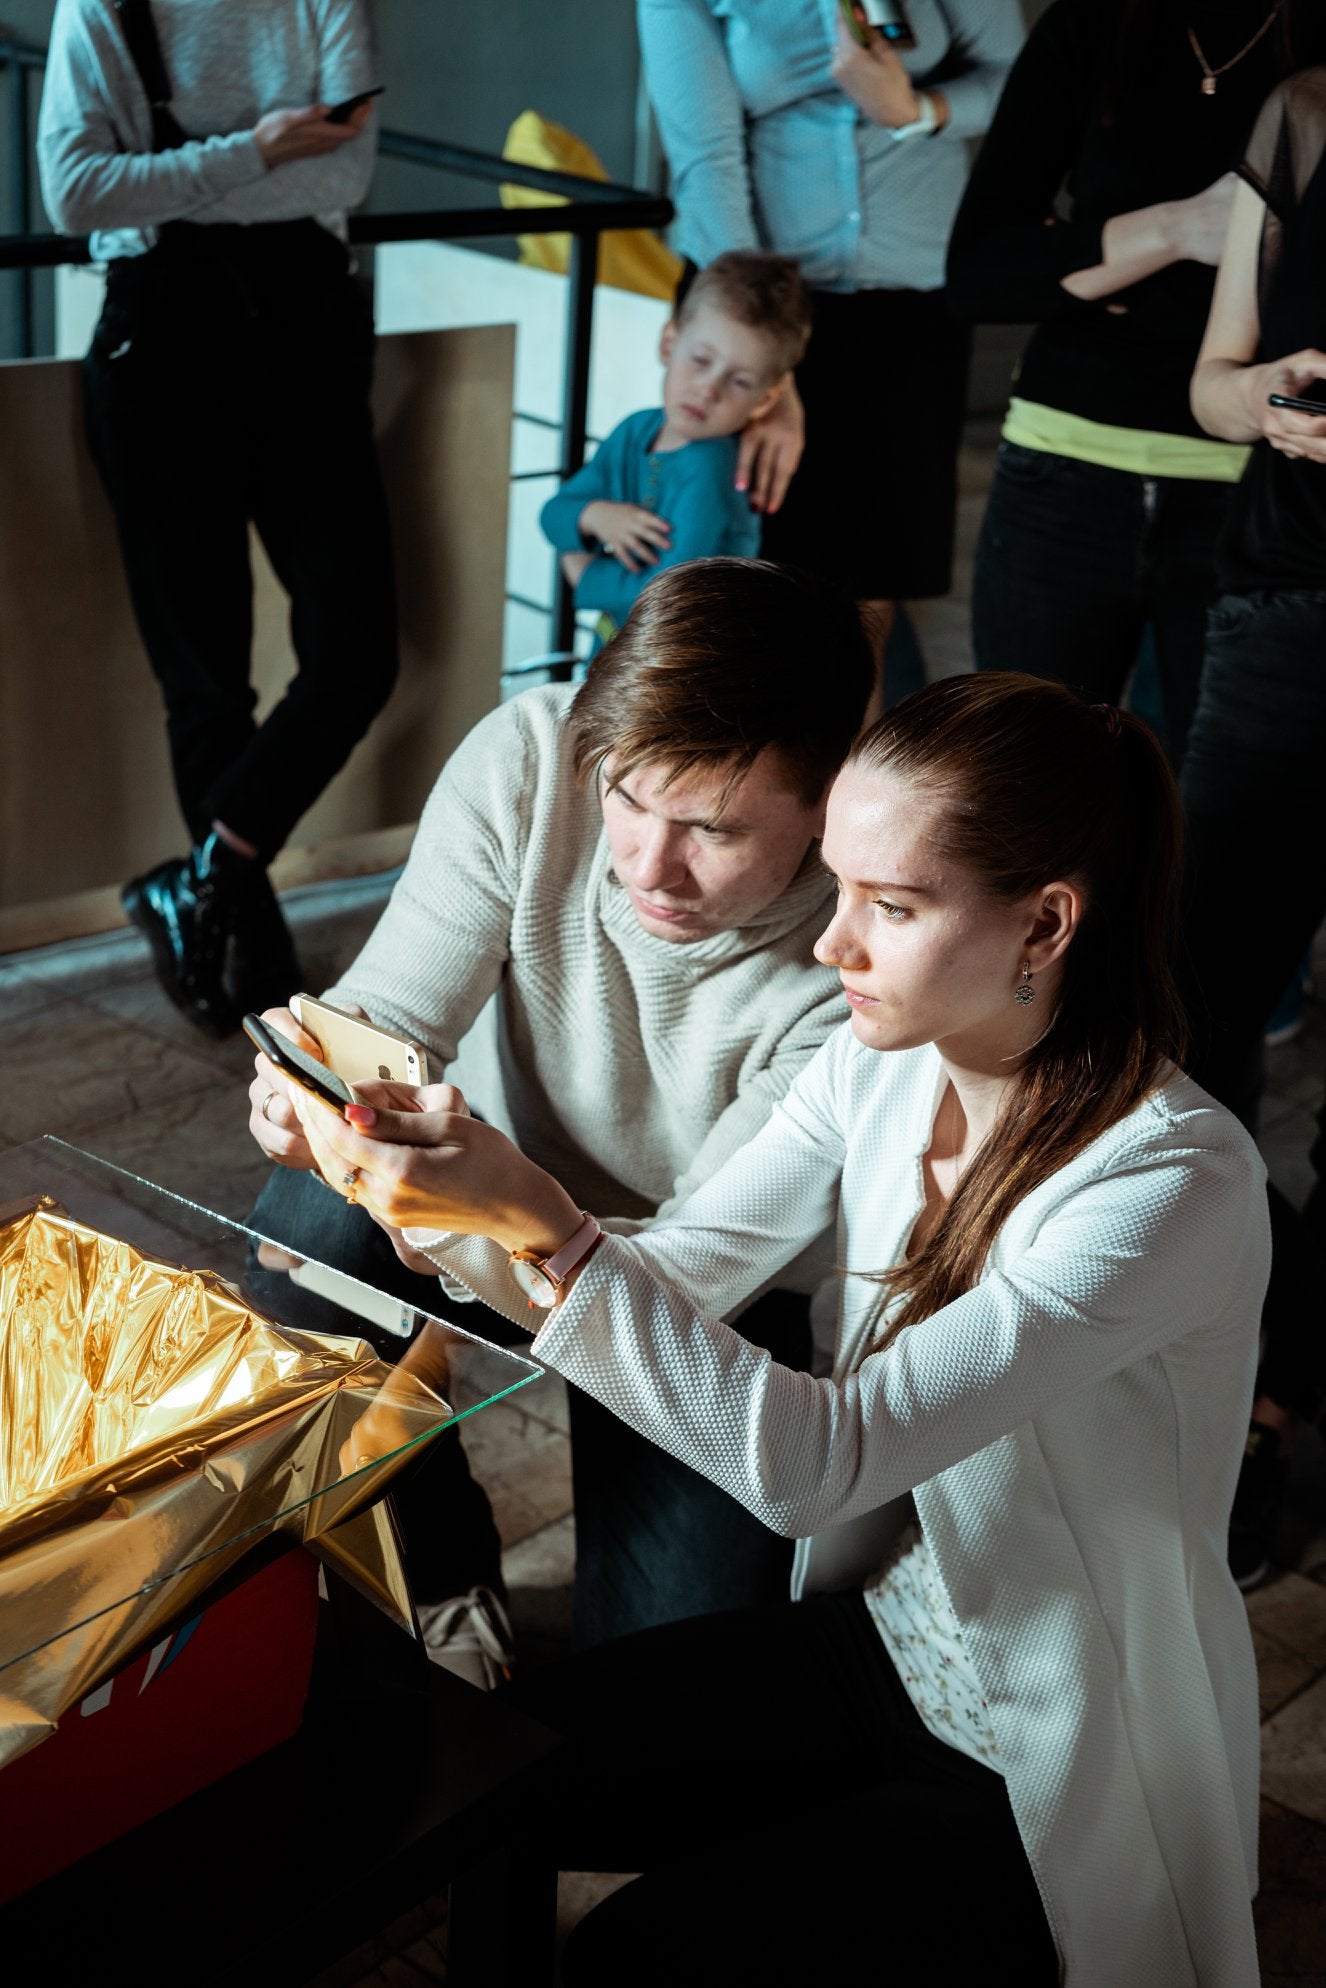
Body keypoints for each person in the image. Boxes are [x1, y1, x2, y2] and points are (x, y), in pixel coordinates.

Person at [290, 671, 1269, 1987]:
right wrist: (442, 1201)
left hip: (1055, 1749)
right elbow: (684, 1266)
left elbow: (825, 1461)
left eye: (892, 905)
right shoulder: (879, 1061)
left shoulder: (1168, 1184)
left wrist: (550, 1229)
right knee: (494, 1779)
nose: (830, 943)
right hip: (880, 1640)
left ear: (1044, 923)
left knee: (635, 1955)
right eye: (838, 885)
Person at [246, 557, 875, 1658]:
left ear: (828, 806)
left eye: (714, 829)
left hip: (709, 1285)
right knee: (308, 1234)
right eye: (627, 797)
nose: (652, 865)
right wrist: (311, 1083)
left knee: (668, 1681)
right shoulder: (540, 752)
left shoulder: (860, 953)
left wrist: (505, 1215)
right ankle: (440, 1567)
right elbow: (384, 1015)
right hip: (491, 1203)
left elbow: (687, 1267)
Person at [37, 0, 398, 1036]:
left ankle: (202, 882)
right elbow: (72, 191)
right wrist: (263, 149)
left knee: (357, 653)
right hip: (158, 356)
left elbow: (345, 173)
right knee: (205, 680)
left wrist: (180, 174)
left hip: (306, 344)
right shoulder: (103, 5)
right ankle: (246, 927)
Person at [947, 0, 1326, 768]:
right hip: (1061, 467)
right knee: (1020, 778)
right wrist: (1179, 229)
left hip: (1246, 479)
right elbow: (981, 274)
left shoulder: (1310, 59)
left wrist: (1095, 259)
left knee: (1201, 806)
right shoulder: (1091, 27)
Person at [637, 0, 1022, 679]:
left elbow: (1013, 77)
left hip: (911, 304)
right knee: (746, 584)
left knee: (871, 590)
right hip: (755, 301)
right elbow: (706, 155)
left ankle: (854, 777)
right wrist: (770, 370)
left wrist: (916, 109)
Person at [1185, 68, 1326, 1585]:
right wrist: (1269, 400)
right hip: (1283, 608)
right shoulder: (1299, 112)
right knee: (1194, 1009)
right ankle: (1214, 1373)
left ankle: (1281, 1400)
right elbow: (1210, 380)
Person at [540, 250, 810, 647]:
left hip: (688, 660)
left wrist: (583, 574)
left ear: (766, 400)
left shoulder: (712, 466)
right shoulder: (636, 430)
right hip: (625, 648)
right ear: (669, 343)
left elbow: (667, 592)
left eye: (739, 381)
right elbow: (554, 513)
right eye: (701, 359)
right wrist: (596, 514)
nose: (708, 389)